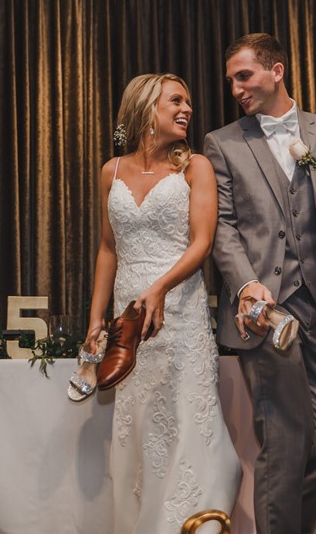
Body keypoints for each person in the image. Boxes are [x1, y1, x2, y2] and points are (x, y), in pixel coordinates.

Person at [204, 33, 316, 533]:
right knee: (285, 439)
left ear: (277, 71)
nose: (236, 89)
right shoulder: (222, 143)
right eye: (231, 81)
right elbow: (222, 228)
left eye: (244, 76)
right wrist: (246, 285)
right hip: (262, 312)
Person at [84, 72, 241, 532]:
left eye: (188, 102)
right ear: (146, 108)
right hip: (129, 321)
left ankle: (192, 522)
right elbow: (108, 248)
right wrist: (96, 319)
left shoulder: (196, 167)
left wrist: (160, 288)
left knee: (185, 417)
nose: (187, 109)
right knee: (140, 426)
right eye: (176, 100)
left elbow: (202, 242)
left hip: (180, 313)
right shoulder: (111, 171)